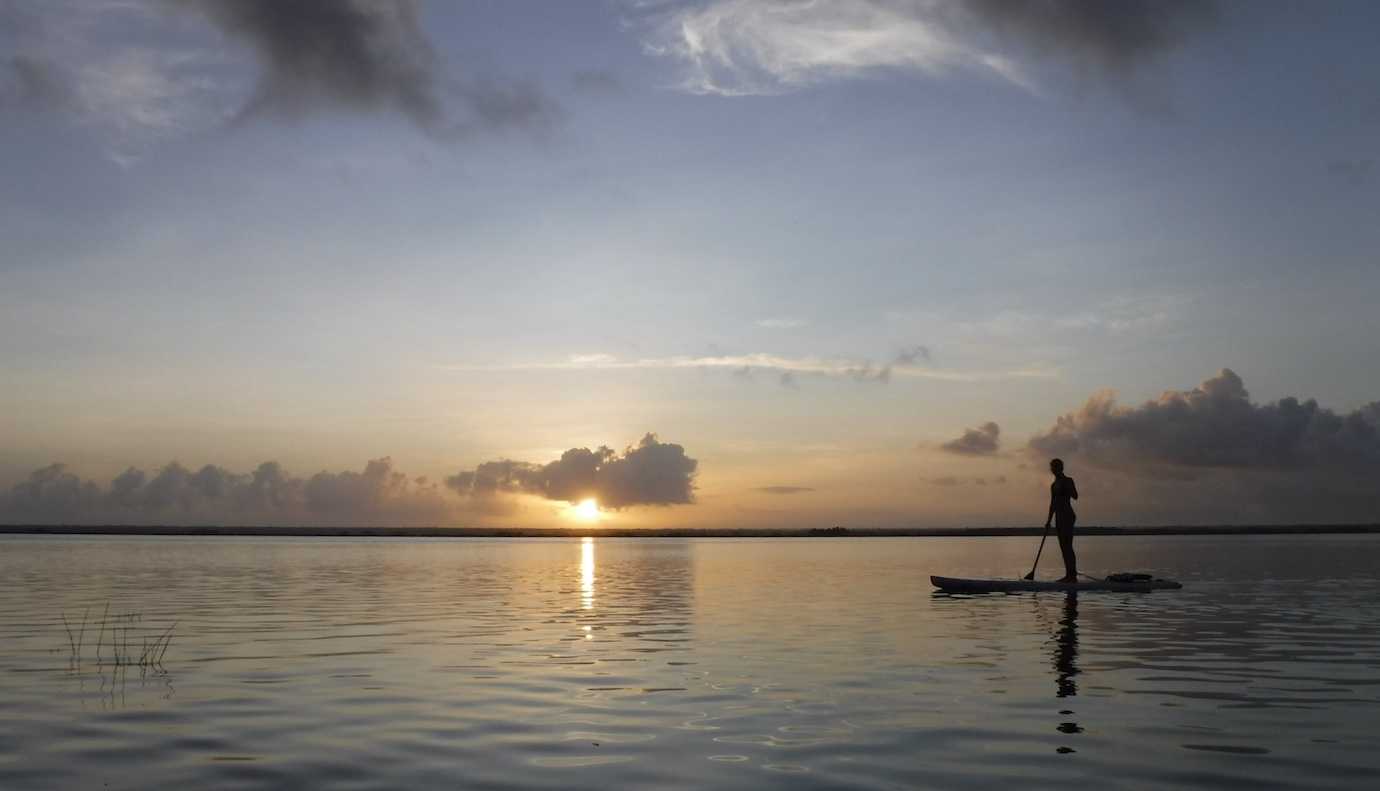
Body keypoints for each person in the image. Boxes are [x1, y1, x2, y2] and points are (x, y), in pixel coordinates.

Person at [1044, 458, 1079, 583]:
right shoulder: (1053, 485)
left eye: (1056, 467)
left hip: (1068, 516)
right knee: (1063, 547)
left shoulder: (1068, 480)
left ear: (1061, 468)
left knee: (1068, 546)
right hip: (1058, 518)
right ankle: (1068, 574)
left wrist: (1067, 488)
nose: (1053, 470)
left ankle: (1072, 575)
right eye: (1052, 467)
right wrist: (1048, 521)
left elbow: (1076, 496)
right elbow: (1052, 504)